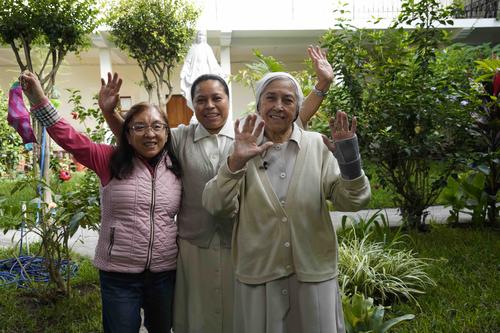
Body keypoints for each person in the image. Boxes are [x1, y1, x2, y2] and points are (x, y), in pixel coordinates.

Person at [100, 46, 334, 333]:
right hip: (194, 243)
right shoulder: (181, 137)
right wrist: (110, 113)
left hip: (239, 241)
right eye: (201, 100)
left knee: (239, 317)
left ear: (227, 100)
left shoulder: (247, 132)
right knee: (198, 317)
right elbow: (141, 136)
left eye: (216, 98)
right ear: (192, 104)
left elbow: (291, 117)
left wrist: (322, 85)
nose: (209, 105)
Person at [202, 72, 371, 333]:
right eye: (271, 98)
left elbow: (351, 201)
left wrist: (350, 161)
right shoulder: (241, 147)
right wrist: (235, 162)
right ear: (259, 106)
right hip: (260, 274)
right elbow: (215, 205)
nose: (279, 106)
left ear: (296, 109)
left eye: (288, 100)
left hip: (312, 272)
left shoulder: (316, 145)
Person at [20, 71, 182, 333]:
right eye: (139, 127)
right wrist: (37, 97)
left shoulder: (177, 164)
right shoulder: (108, 159)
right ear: (127, 135)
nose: (149, 134)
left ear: (167, 132)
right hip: (119, 275)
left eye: (157, 126)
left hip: (164, 274)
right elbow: (68, 137)